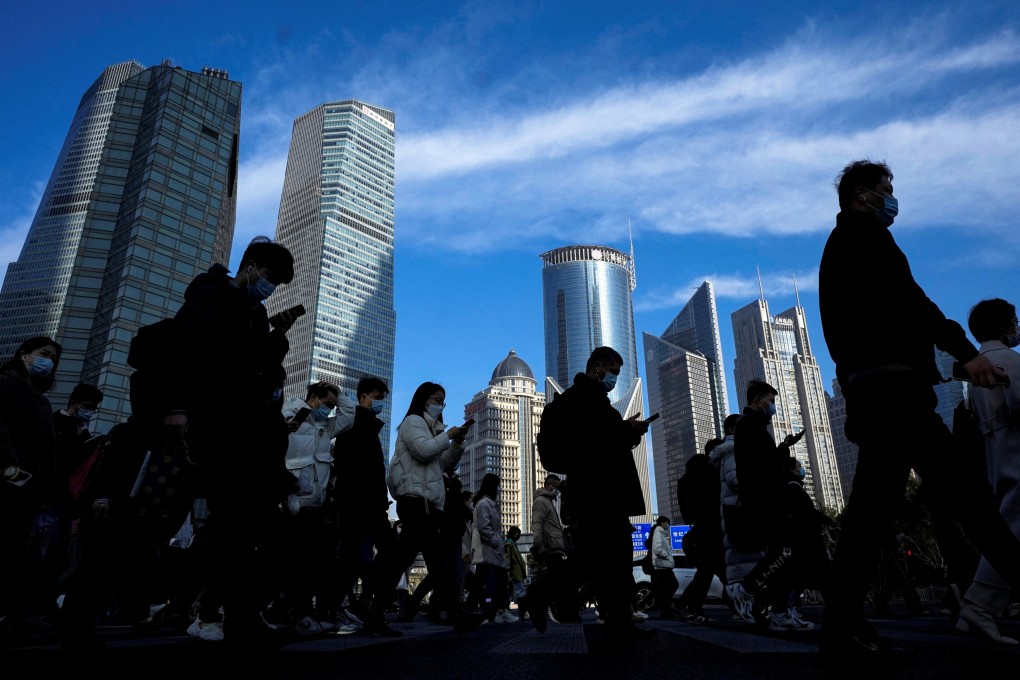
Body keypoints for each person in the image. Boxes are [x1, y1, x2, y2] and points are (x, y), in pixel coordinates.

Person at [817, 160, 1020, 658]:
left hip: (875, 389)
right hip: (895, 394)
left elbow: (872, 322)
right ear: (862, 195)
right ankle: (842, 622)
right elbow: (912, 302)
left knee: (870, 513)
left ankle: (840, 622)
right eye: (887, 190)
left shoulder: (840, 246)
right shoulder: (865, 238)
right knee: (972, 498)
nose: (893, 199)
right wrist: (964, 351)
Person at [156, 236, 300, 648]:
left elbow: (255, 366)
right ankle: (202, 609)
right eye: (269, 277)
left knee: (247, 524)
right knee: (231, 523)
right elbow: (183, 350)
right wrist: (179, 405)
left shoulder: (256, 312)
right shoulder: (210, 295)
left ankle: (233, 610)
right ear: (250, 265)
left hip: (247, 431)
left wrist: (277, 337)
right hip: (215, 425)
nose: (270, 287)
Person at [542, 346, 653, 646]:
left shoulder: (597, 403)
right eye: (613, 371)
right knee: (607, 557)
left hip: (605, 491)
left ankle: (618, 621)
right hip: (596, 491)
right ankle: (542, 594)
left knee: (607, 558)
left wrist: (627, 432)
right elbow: (590, 445)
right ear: (598, 368)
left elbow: (602, 442)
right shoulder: (581, 401)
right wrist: (624, 431)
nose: (615, 378)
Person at [374, 382, 474, 635]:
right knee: (425, 561)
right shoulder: (412, 423)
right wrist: (447, 436)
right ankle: (454, 612)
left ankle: (453, 612)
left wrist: (457, 443)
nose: (439, 404)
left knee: (423, 561)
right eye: (436, 399)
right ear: (423, 399)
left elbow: (445, 465)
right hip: (414, 499)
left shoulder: (435, 430)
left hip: (430, 503)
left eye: (442, 401)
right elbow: (422, 451)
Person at [955, 298, 1020, 645]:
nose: (1017, 327)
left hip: (996, 449)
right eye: (1014, 321)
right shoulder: (1008, 360)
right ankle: (979, 607)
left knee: (1009, 526)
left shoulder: (978, 368)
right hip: (1015, 447)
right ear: (1004, 325)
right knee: (1013, 530)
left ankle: (979, 608)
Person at [269, 381, 355, 634]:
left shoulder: (326, 427)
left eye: (332, 406)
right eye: (326, 404)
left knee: (311, 562)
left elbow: (348, 417)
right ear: (313, 398)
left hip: (316, 505)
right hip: (292, 501)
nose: (329, 410)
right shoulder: (290, 412)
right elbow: (274, 436)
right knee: (295, 561)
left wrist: (339, 394)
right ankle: (290, 610)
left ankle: (301, 612)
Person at [725, 380, 806, 628]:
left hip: (766, 497)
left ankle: (779, 613)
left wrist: (783, 447)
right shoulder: (749, 425)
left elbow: (765, 462)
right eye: (771, 401)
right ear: (758, 399)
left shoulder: (756, 426)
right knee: (784, 552)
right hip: (764, 500)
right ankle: (745, 589)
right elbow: (760, 468)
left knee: (782, 554)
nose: (773, 406)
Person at [0, 337, 61, 643]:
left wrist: (46, 491)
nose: (48, 361)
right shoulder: (4, 384)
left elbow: (49, 452)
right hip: (6, 482)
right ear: (24, 356)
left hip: (29, 494)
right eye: (43, 354)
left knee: (16, 555)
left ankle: (11, 614)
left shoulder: (43, 402)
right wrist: (10, 468)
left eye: (53, 358)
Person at [330, 376, 389, 631]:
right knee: (352, 558)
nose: (380, 404)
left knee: (356, 558)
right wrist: (364, 498)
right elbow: (350, 468)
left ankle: (356, 606)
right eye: (376, 398)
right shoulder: (353, 425)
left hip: (371, 504)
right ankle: (339, 608)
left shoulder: (369, 427)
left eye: (382, 400)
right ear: (363, 397)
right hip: (358, 504)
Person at [675, 448, 725, 623]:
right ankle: (691, 608)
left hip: (699, 532)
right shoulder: (709, 479)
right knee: (711, 571)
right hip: (712, 530)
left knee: (707, 571)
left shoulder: (686, 483)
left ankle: (685, 605)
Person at [527, 474, 571, 632]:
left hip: (555, 546)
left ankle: (551, 607)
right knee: (555, 578)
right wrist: (537, 545)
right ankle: (536, 597)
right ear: (551, 485)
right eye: (557, 487)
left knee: (556, 579)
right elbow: (536, 524)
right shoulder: (541, 502)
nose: (558, 491)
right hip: (550, 547)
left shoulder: (548, 501)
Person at [472, 474, 515, 623]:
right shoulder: (484, 504)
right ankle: (498, 611)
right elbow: (484, 527)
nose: (499, 489)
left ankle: (487, 611)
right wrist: (495, 540)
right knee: (499, 579)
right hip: (487, 549)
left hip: (491, 549)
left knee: (483, 581)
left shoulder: (488, 503)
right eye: (497, 485)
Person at [649, 516, 677, 618]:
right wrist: (667, 556)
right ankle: (666, 607)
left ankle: (666, 610)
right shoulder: (658, 533)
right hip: (663, 567)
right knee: (673, 585)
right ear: (662, 522)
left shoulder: (661, 534)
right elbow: (657, 549)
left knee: (667, 589)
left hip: (664, 567)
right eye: (667, 523)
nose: (668, 525)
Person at [504, 526, 528, 620]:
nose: (519, 536)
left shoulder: (512, 544)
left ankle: (520, 613)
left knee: (511, 592)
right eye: (518, 534)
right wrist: (508, 571)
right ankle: (522, 613)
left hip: (516, 572)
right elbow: (507, 559)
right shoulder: (509, 544)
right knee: (520, 592)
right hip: (514, 572)